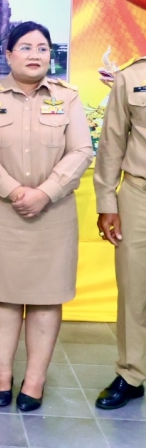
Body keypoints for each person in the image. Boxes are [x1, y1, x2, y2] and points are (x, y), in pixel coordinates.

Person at [0, 22, 93, 411]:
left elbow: (82, 151)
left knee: (46, 298)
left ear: (51, 55)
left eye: (42, 48)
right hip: (1, 212)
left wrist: (45, 192)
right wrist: (15, 191)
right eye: (26, 47)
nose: (35, 54)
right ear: (8, 54)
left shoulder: (68, 97)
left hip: (53, 214)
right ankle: (2, 374)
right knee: (2, 296)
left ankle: (35, 380)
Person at [94, 54, 146, 410]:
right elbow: (112, 141)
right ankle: (131, 373)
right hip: (139, 193)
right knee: (134, 288)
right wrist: (106, 202)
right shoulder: (132, 77)